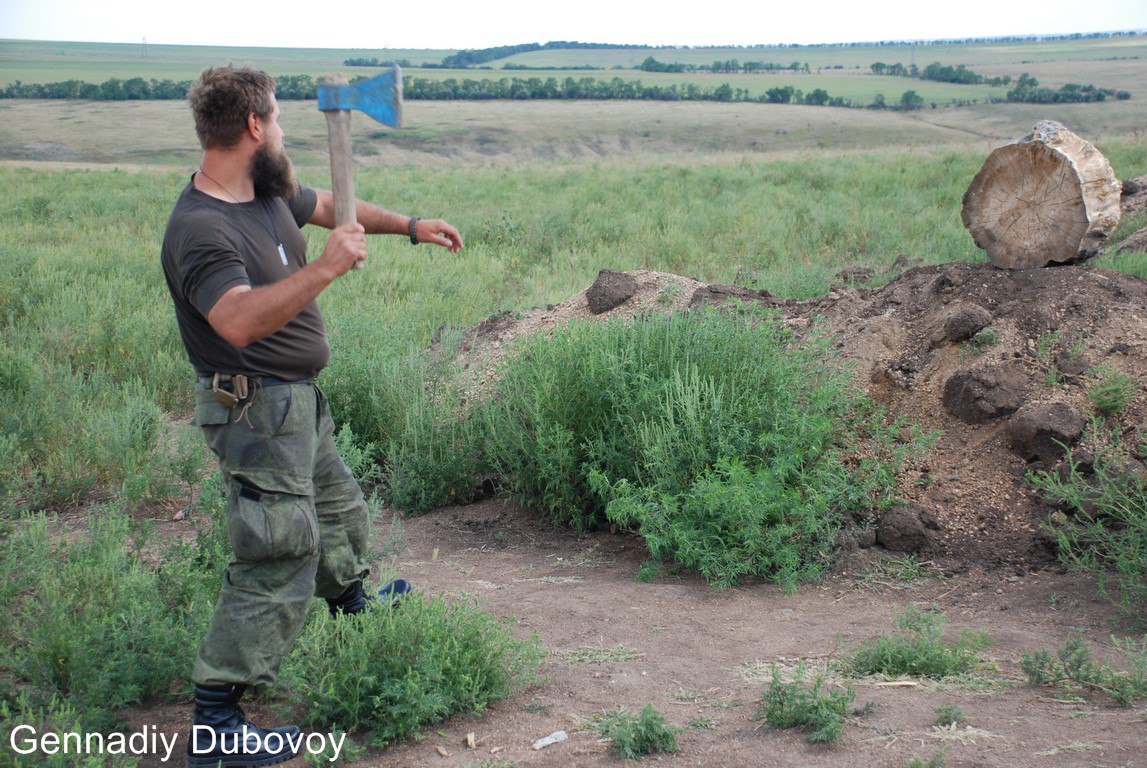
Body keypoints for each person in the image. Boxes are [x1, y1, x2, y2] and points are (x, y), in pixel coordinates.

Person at [161, 65, 463, 768]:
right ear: (252, 127)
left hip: (296, 400)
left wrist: (410, 226)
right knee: (277, 547)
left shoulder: (264, 189)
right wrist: (325, 269)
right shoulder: (201, 227)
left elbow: (329, 205)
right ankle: (216, 722)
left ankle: (351, 605)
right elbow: (234, 320)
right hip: (254, 407)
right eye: (279, 116)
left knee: (334, 509)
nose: (287, 128)